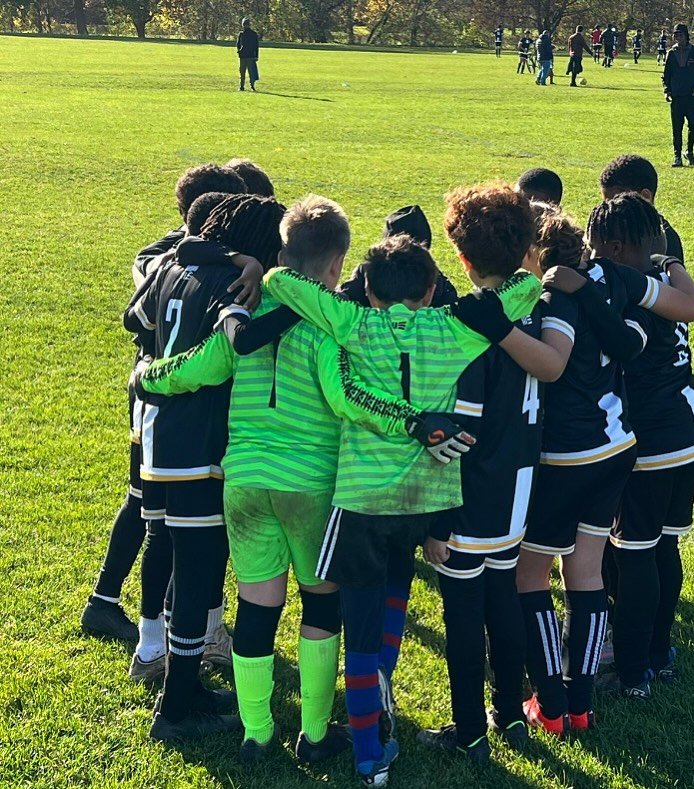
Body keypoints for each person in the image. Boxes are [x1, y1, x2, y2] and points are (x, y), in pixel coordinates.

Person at [138, 195, 462, 764]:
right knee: (320, 605)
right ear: (337, 266)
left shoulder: (246, 319)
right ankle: (314, 733)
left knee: (257, 606)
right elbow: (348, 400)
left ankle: (256, 735)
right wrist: (412, 422)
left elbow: (191, 370)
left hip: (245, 484)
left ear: (282, 253)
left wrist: (147, 374)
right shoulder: (329, 331)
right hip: (311, 487)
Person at [262, 229, 542, 785]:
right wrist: (487, 297)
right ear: (433, 286)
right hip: (429, 503)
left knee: (360, 634)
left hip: (365, 503)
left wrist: (335, 299)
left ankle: (370, 755)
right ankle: (383, 689)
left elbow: (278, 279)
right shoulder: (454, 327)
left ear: (366, 290)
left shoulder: (352, 321)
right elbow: (528, 286)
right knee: (397, 589)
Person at [515, 203, 694, 737]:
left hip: (576, 454)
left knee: (532, 575)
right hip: (623, 445)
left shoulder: (546, 295)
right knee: (593, 569)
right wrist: (668, 263)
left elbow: (552, 363)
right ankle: (585, 699)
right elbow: (679, 313)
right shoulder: (620, 276)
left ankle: (553, 703)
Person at [124, 195, 284, 741]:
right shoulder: (234, 284)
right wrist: (250, 274)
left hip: (160, 440)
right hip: (201, 450)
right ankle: (174, 713)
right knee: (197, 578)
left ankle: (184, 685)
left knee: (181, 567)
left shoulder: (173, 265)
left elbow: (134, 319)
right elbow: (230, 348)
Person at [417, 186, 558, 764]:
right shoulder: (535, 311)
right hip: (519, 490)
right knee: (504, 596)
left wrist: (437, 520)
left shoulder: (467, 331)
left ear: (462, 259)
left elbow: (457, 440)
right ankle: (509, 715)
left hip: (475, 494)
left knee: (465, 614)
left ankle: (471, 731)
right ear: (526, 247)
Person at [79, 165, 247, 646]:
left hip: (156, 397)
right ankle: (133, 614)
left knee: (154, 510)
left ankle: (135, 616)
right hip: (166, 398)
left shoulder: (174, 253)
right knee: (155, 510)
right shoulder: (174, 258)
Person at [573, 195, 694, 701]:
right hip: (691, 433)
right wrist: (670, 260)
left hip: (650, 443)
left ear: (611, 246)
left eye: (593, 247)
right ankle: (659, 653)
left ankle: (632, 673)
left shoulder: (621, 290)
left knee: (635, 555)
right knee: (664, 548)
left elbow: (621, 347)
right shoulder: (665, 283)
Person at [599, 154, 684, 262]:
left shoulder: (666, 240)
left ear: (645, 197)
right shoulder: (609, 230)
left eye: (615, 203)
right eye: (606, 204)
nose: (609, 211)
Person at [663, 23, 694, 168]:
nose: (678, 37)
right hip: (677, 96)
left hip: (691, 96)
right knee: (677, 128)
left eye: (680, 35)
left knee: (693, 126)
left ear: (686, 36)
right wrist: (667, 90)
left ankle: (689, 151)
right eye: (675, 35)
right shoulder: (671, 53)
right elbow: (666, 74)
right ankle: (677, 156)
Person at [237, 17, 259, 92]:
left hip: (246, 56)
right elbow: (256, 46)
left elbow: (238, 45)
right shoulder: (252, 34)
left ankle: (245, 86)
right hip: (248, 56)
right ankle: (247, 86)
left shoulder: (243, 34)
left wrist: (239, 52)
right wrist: (256, 56)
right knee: (248, 72)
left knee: (245, 72)